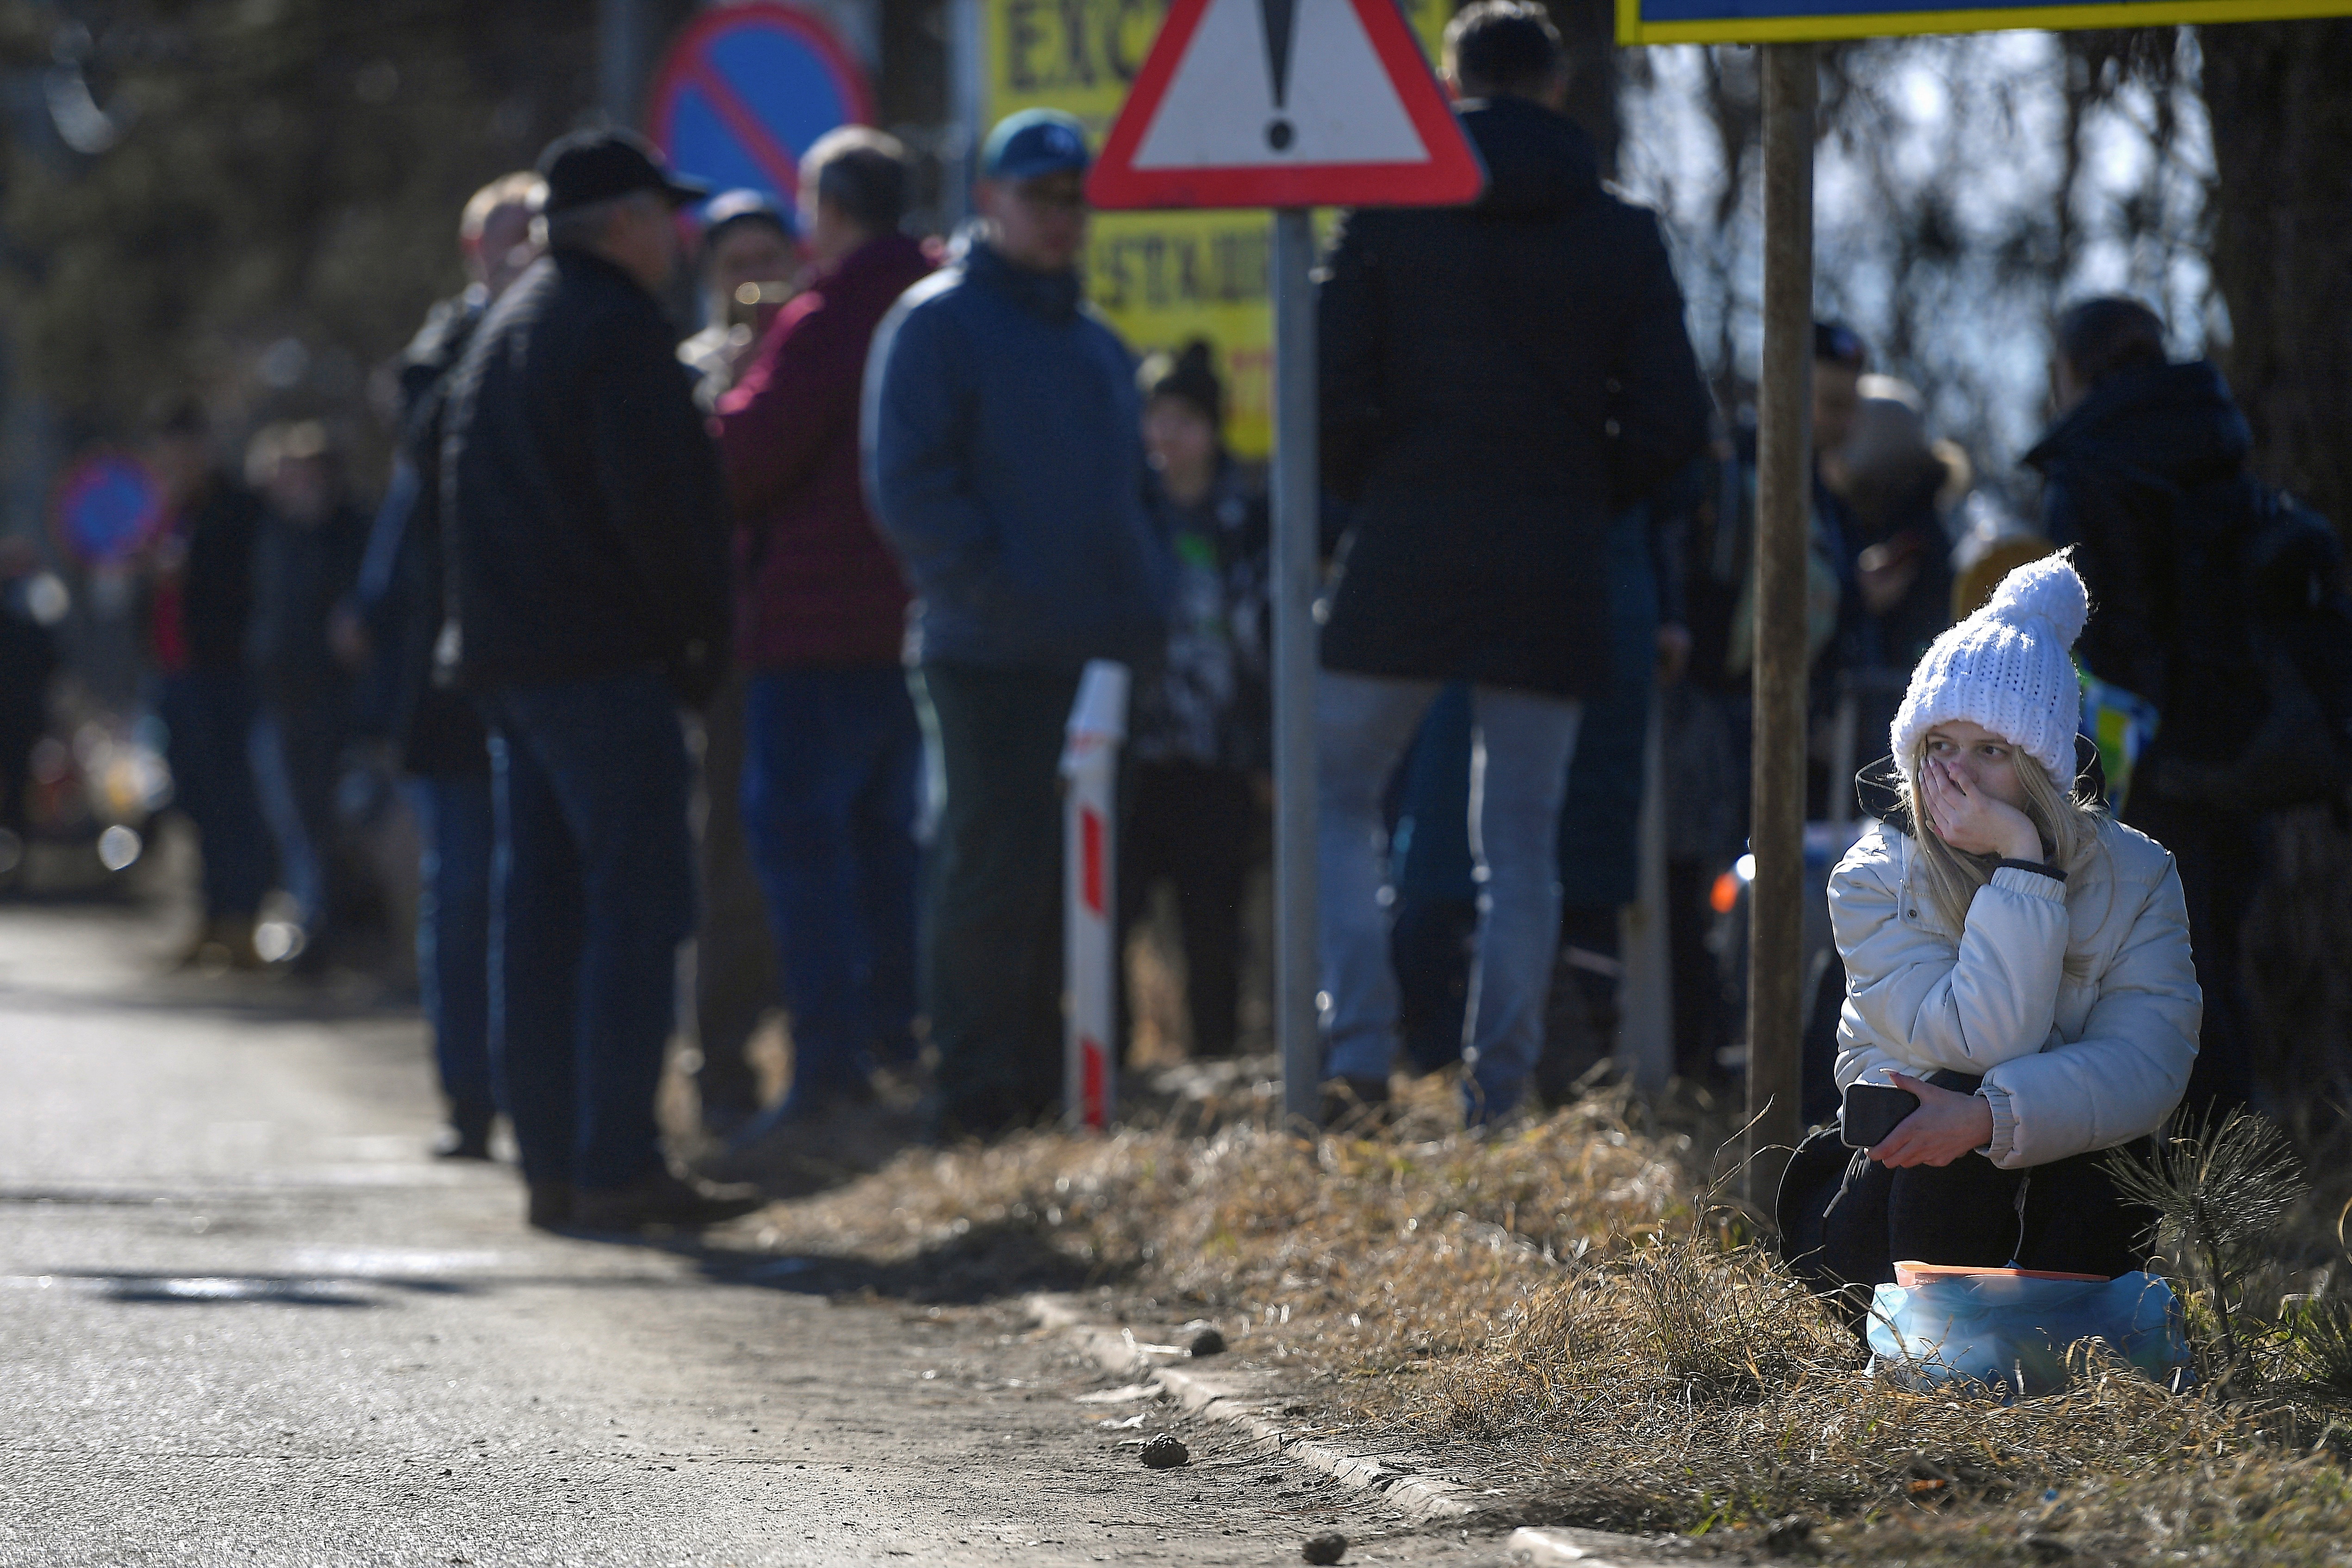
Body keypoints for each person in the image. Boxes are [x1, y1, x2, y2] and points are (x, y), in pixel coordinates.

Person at [1314, 0, 1711, 1126]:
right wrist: (1586, 493)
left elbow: (1328, 381)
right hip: (1554, 563)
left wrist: (1377, 489)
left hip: (1403, 549)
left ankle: (1357, 1052)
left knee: (1337, 795)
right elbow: (1677, 422)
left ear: (1449, 84)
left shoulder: (1388, 211)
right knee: (1522, 843)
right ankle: (1498, 1097)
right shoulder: (1622, 231)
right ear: (1556, 87)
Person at [441, 128, 753, 1233]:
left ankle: (557, 1169)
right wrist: (700, 644)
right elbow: (661, 512)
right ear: (623, 221)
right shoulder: (616, 330)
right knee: (637, 906)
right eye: (663, 215)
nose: (678, 236)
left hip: (513, 671)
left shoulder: (509, 323)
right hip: (603, 668)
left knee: (542, 913)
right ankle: (617, 1161)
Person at [866, 108, 1172, 1141]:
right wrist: (1002, 594)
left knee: (1082, 889)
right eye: (1039, 195)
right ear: (987, 200)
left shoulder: (1097, 345)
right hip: (988, 658)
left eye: (1074, 196)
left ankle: (1059, 1091)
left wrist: (1146, 610)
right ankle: (973, 1095)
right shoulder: (936, 323)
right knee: (989, 875)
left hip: (1104, 666)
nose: (1060, 215)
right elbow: (909, 490)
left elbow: (1137, 499)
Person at [1792, 551, 2197, 1298]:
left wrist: (1989, 1117)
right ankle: (1939, 1364)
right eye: (1938, 748)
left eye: (1990, 752)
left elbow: (2149, 1066)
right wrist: (2023, 865)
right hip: (1902, 1215)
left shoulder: (2139, 877)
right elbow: (1979, 1041)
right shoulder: (1871, 878)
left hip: (2069, 1203)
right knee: (1946, 1100)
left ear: (2041, 767)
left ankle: (2059, 1355)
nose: (1959, 778)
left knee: (2104, 1154)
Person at [707, 128, 935, 1168]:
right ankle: (899, 1044)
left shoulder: (823, 320)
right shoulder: (943, 298)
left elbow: (743, 461)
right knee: (893, 850)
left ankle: (826, 1068)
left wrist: (735, 384)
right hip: (921, 625)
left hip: (810, 634)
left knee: (803, 853)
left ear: (833, 214)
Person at [2023, 297, 2294, 1116]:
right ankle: (2230, 1177)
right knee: (2217, 958)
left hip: (2140, 760)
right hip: (2236, 749)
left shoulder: (2090, 466)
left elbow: (2088, 628)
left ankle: (2165, 1167)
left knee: (2149, 971)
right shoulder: (2216, 444)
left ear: (2071, 372)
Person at [348, 170, 541, 1158]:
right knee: (464, 889)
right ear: (476, 253)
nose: (527, 252)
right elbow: (425, 440)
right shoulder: (443, 348)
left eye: (540, 236)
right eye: (511, 238)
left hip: (549, 672)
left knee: (541, 890)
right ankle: (470, 1097)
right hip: (453, 688)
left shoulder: (579, 329)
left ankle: (542, 1093)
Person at [677, 188, 803, 1140]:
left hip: (816, 646)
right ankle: (719, 1065)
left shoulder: (821, 362)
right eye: (734, 264)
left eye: (771, 257)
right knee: (728, 863)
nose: (753, 281)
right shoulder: (685, 376)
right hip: (723, 656)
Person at [1119, 339, 1270, 1061]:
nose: (1163, 435)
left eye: (1180, 418)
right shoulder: (1121, 513)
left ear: (1212, 428)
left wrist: (1266, 751)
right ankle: (1111, 1067)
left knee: (1213, 923)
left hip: (1219, 758)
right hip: (1128, 752)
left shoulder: (1249, 519)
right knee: (1111, 913)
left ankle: (1218, 1060)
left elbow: (1267, 649)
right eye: (1152, 417)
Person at [143, 406, 275, 967]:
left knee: (233, 802)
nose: (179, 461)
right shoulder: (170, 514)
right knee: (193, 801)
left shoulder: (238, 510)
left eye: (187, 447)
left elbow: (246, 591)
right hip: (174, 673)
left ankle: (243, 920)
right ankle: (211, 917)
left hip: (226, 676)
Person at [244, 420, 371, 972]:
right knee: (292, 819)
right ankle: (310, 922)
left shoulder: (352, 535)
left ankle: (333, 930)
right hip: (280, 695)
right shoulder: (275, 532)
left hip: (335, 700)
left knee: (331, 818)